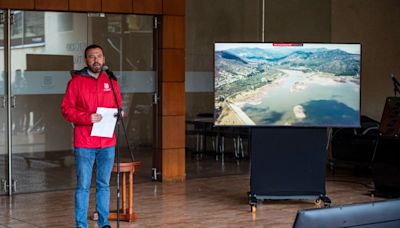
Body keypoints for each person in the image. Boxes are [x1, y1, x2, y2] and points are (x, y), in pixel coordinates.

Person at [61, 44, 122, 228]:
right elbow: (66, 109)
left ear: (104, 59)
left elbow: (118, 105)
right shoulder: (76, 82)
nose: (96, 60)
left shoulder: (111, 80)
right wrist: (87, 117)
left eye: (99, 56)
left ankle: (104, 223)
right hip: (85, 142)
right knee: (83, 186)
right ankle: (81, 225)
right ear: (86, 60)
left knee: (104, 184)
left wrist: (120, 114)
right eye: (91, 56)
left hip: (107, 142)